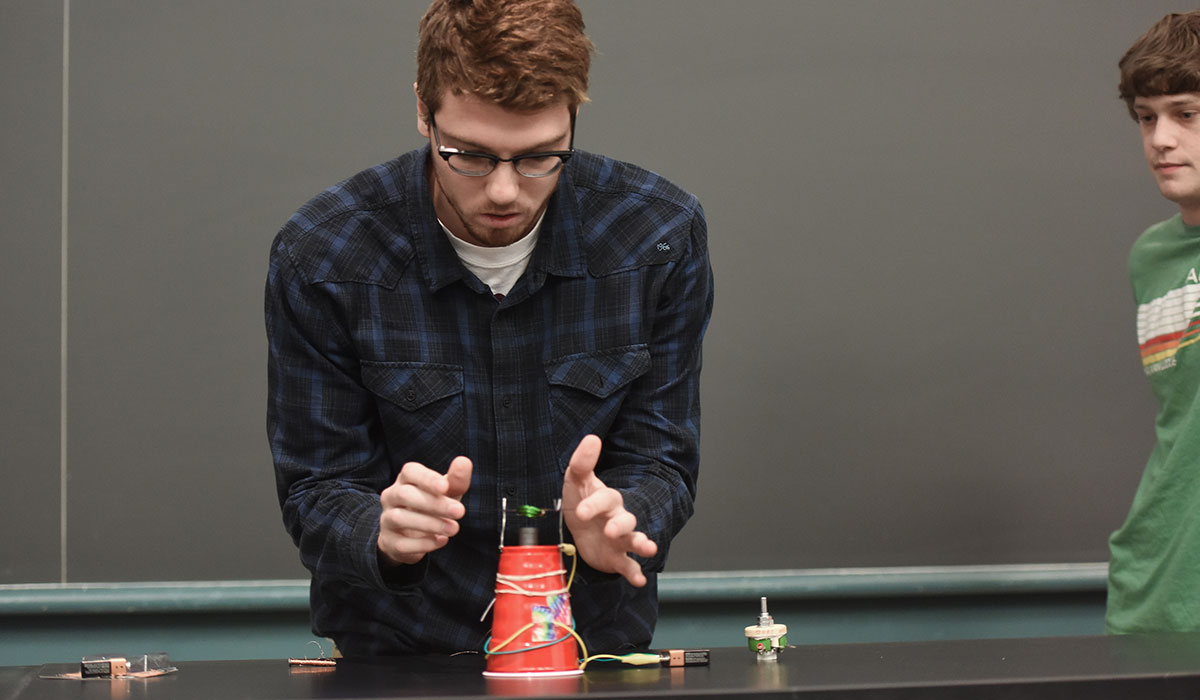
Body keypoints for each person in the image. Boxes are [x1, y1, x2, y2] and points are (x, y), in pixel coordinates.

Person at [265, 0, 714, 657]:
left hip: (591, 648)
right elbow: (315, 487)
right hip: (397, 658)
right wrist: (379, 530)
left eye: (539, 158)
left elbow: (663, 458)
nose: (504, 191)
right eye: (470, 156)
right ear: (424, 109)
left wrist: (623, 516)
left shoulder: (657, 239)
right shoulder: (324, 255)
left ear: (573, 117)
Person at [1108, 10, 1200, 634]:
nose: (1160, 139)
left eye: (1186, 114)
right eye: (1147, 118)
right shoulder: (1152, 256)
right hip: (1156, 596)